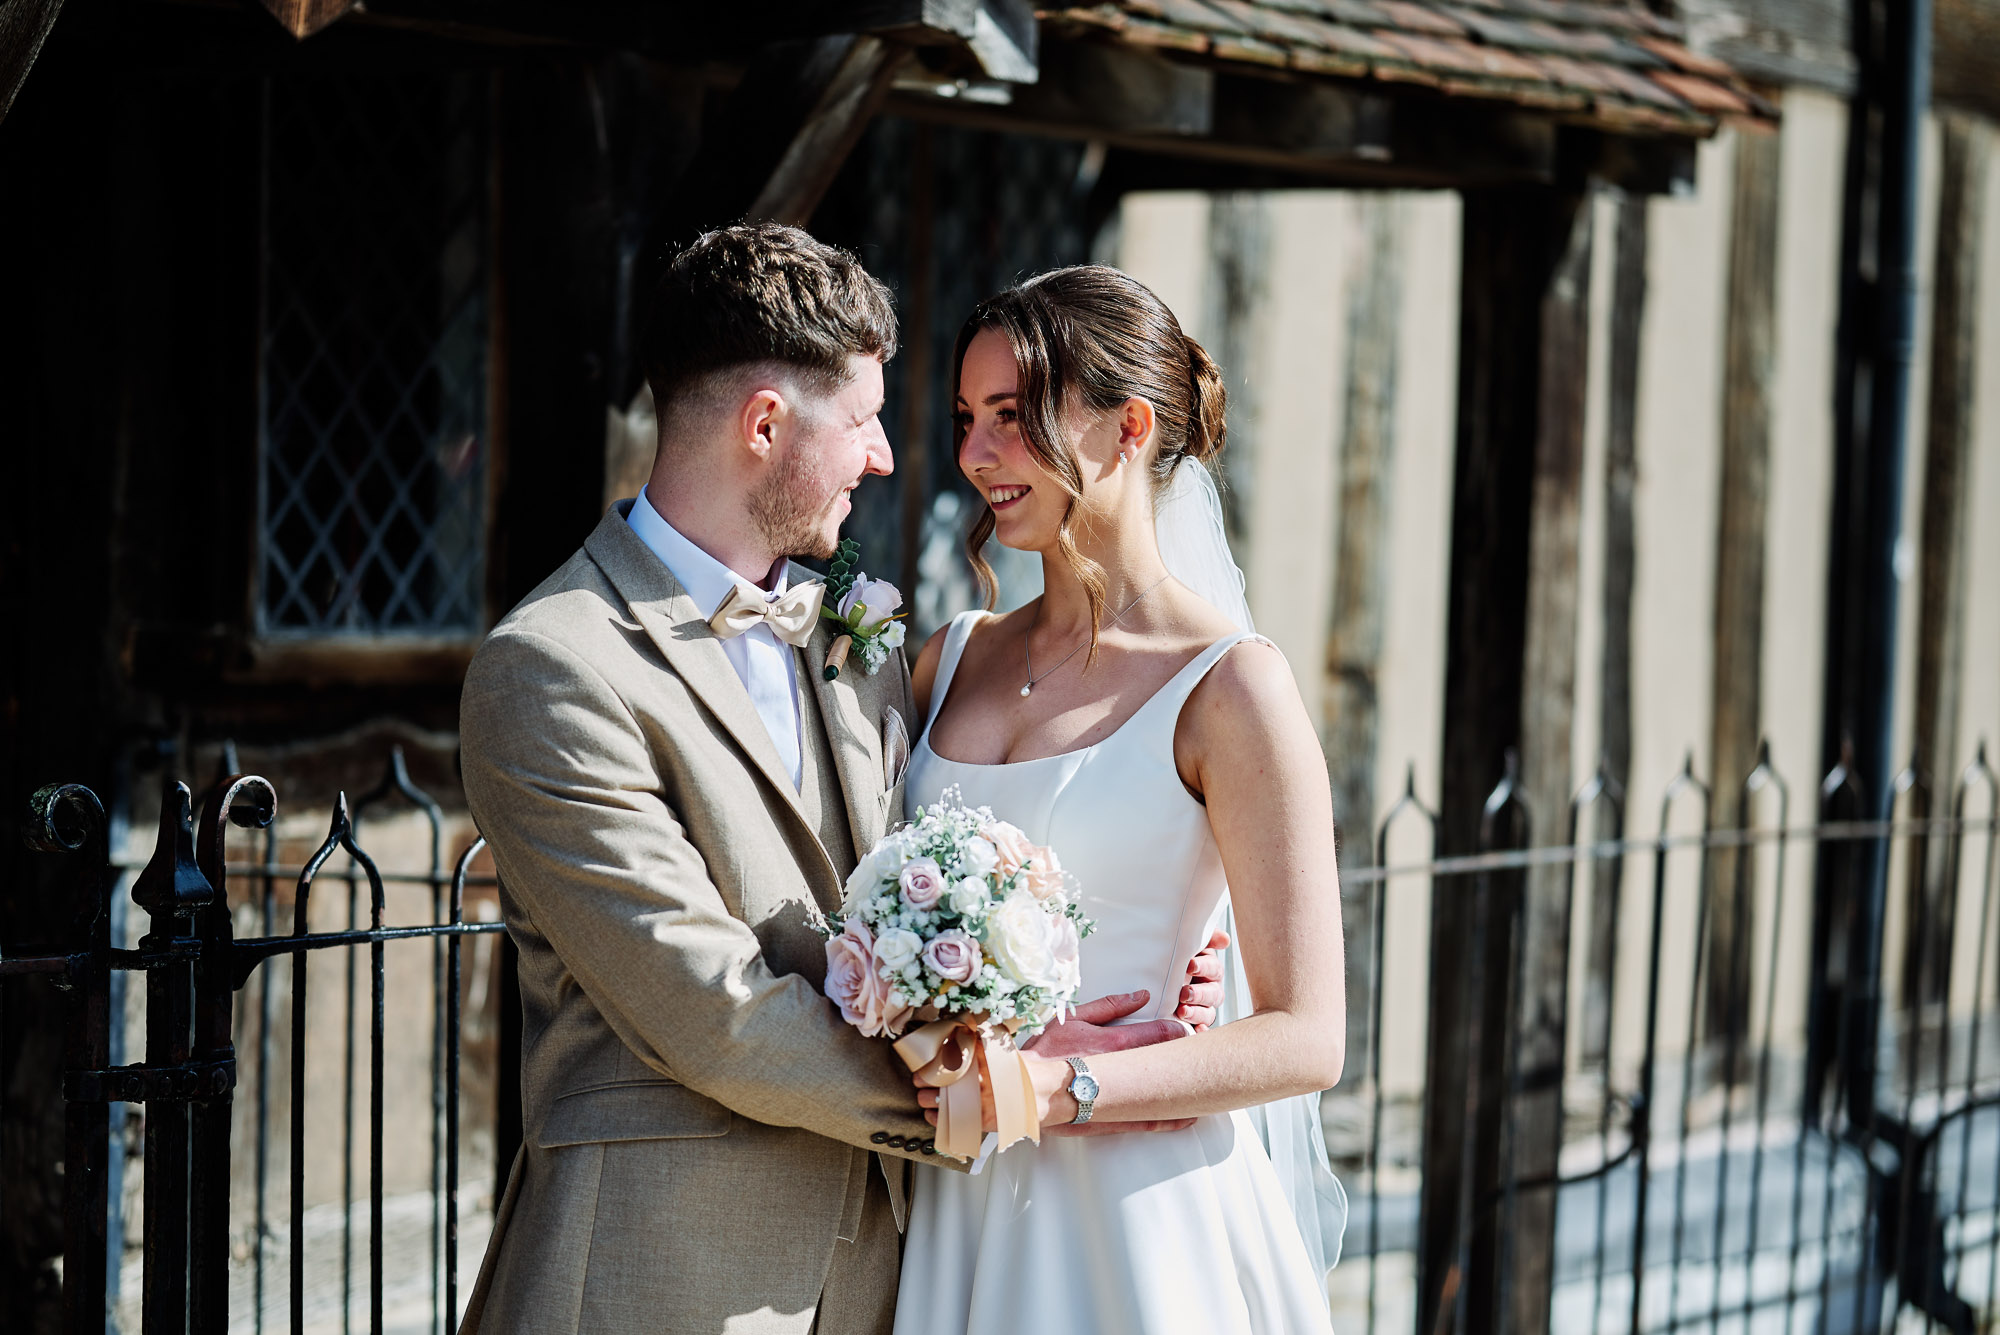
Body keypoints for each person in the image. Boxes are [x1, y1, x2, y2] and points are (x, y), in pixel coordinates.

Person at [454, 223, 1225, 1335]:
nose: (887, 457)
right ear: (764, 424)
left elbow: (962, 861)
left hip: (882, 1279)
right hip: (655, 1275)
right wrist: (999, 1085)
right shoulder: (554, 668)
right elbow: (710, 1009)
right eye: (863, 420)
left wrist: (1158, 951)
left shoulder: (853, 641)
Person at [896, 265, 1349, 1335]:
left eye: (1011, 418)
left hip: (1136, 1215)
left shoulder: (1230, 686)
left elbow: (1306, 1037)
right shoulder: (944, 661)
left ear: (1128, 428)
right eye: (966, 420)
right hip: (950, 1193)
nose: (972, 455)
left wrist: (1063, 1089)